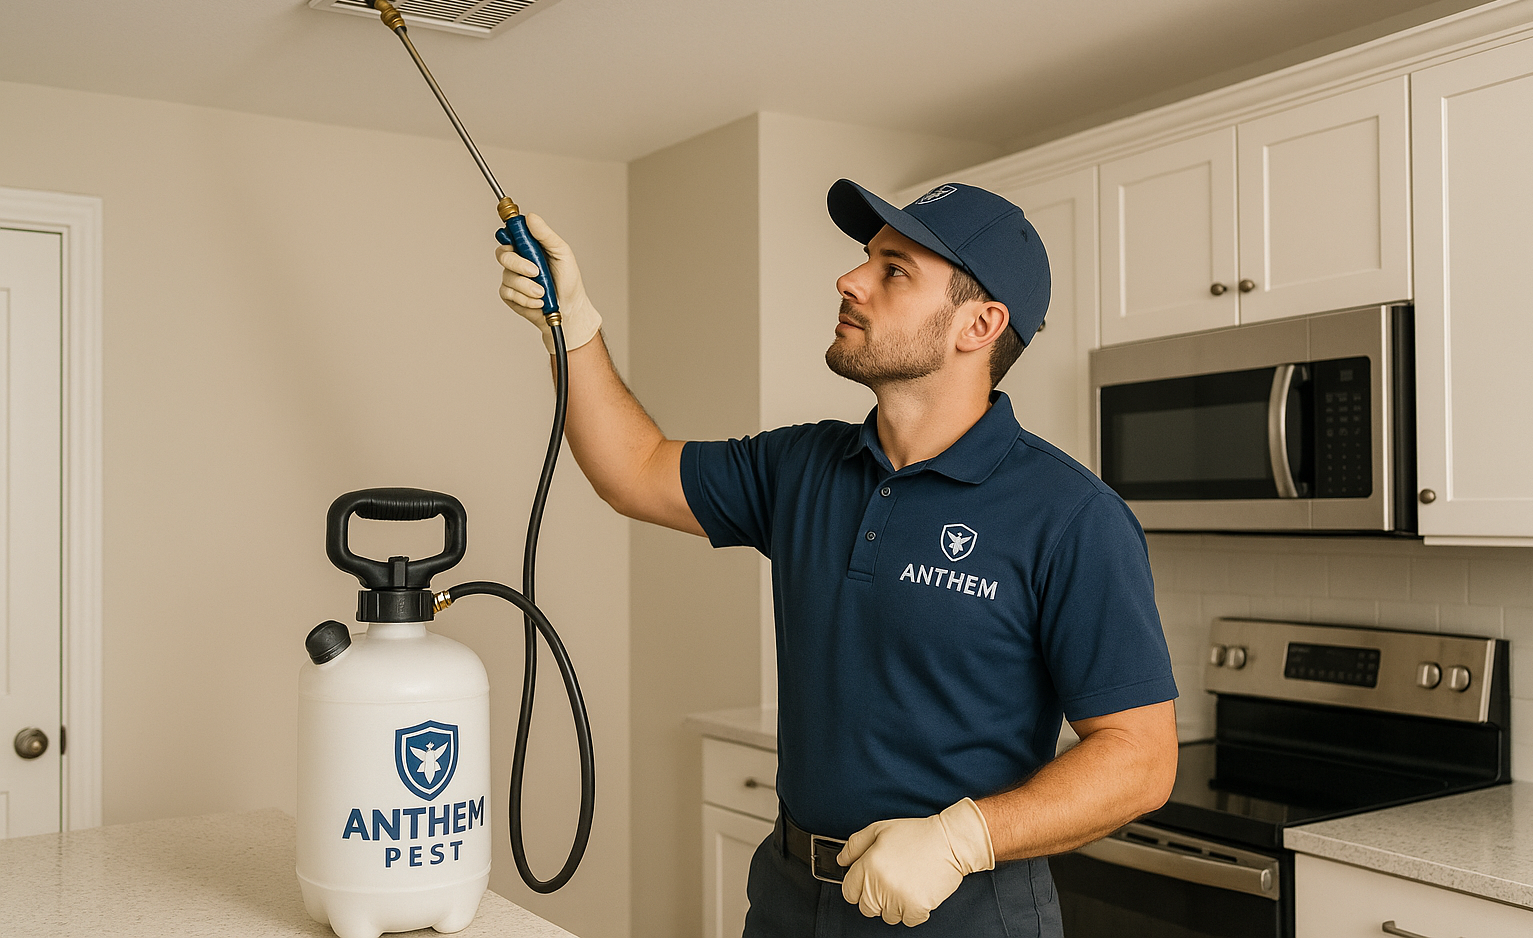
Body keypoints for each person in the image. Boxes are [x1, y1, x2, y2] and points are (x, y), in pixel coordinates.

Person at [497, 180, 1179, 936]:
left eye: (894, 270)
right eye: (867, 259)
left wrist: (961, 841)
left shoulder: (1072, 516)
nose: (850, 280)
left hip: (963, 912)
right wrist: (574, 326)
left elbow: (1141, 759)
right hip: (792, 897)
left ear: (979, 324)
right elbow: (634, 469)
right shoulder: (801, 466)